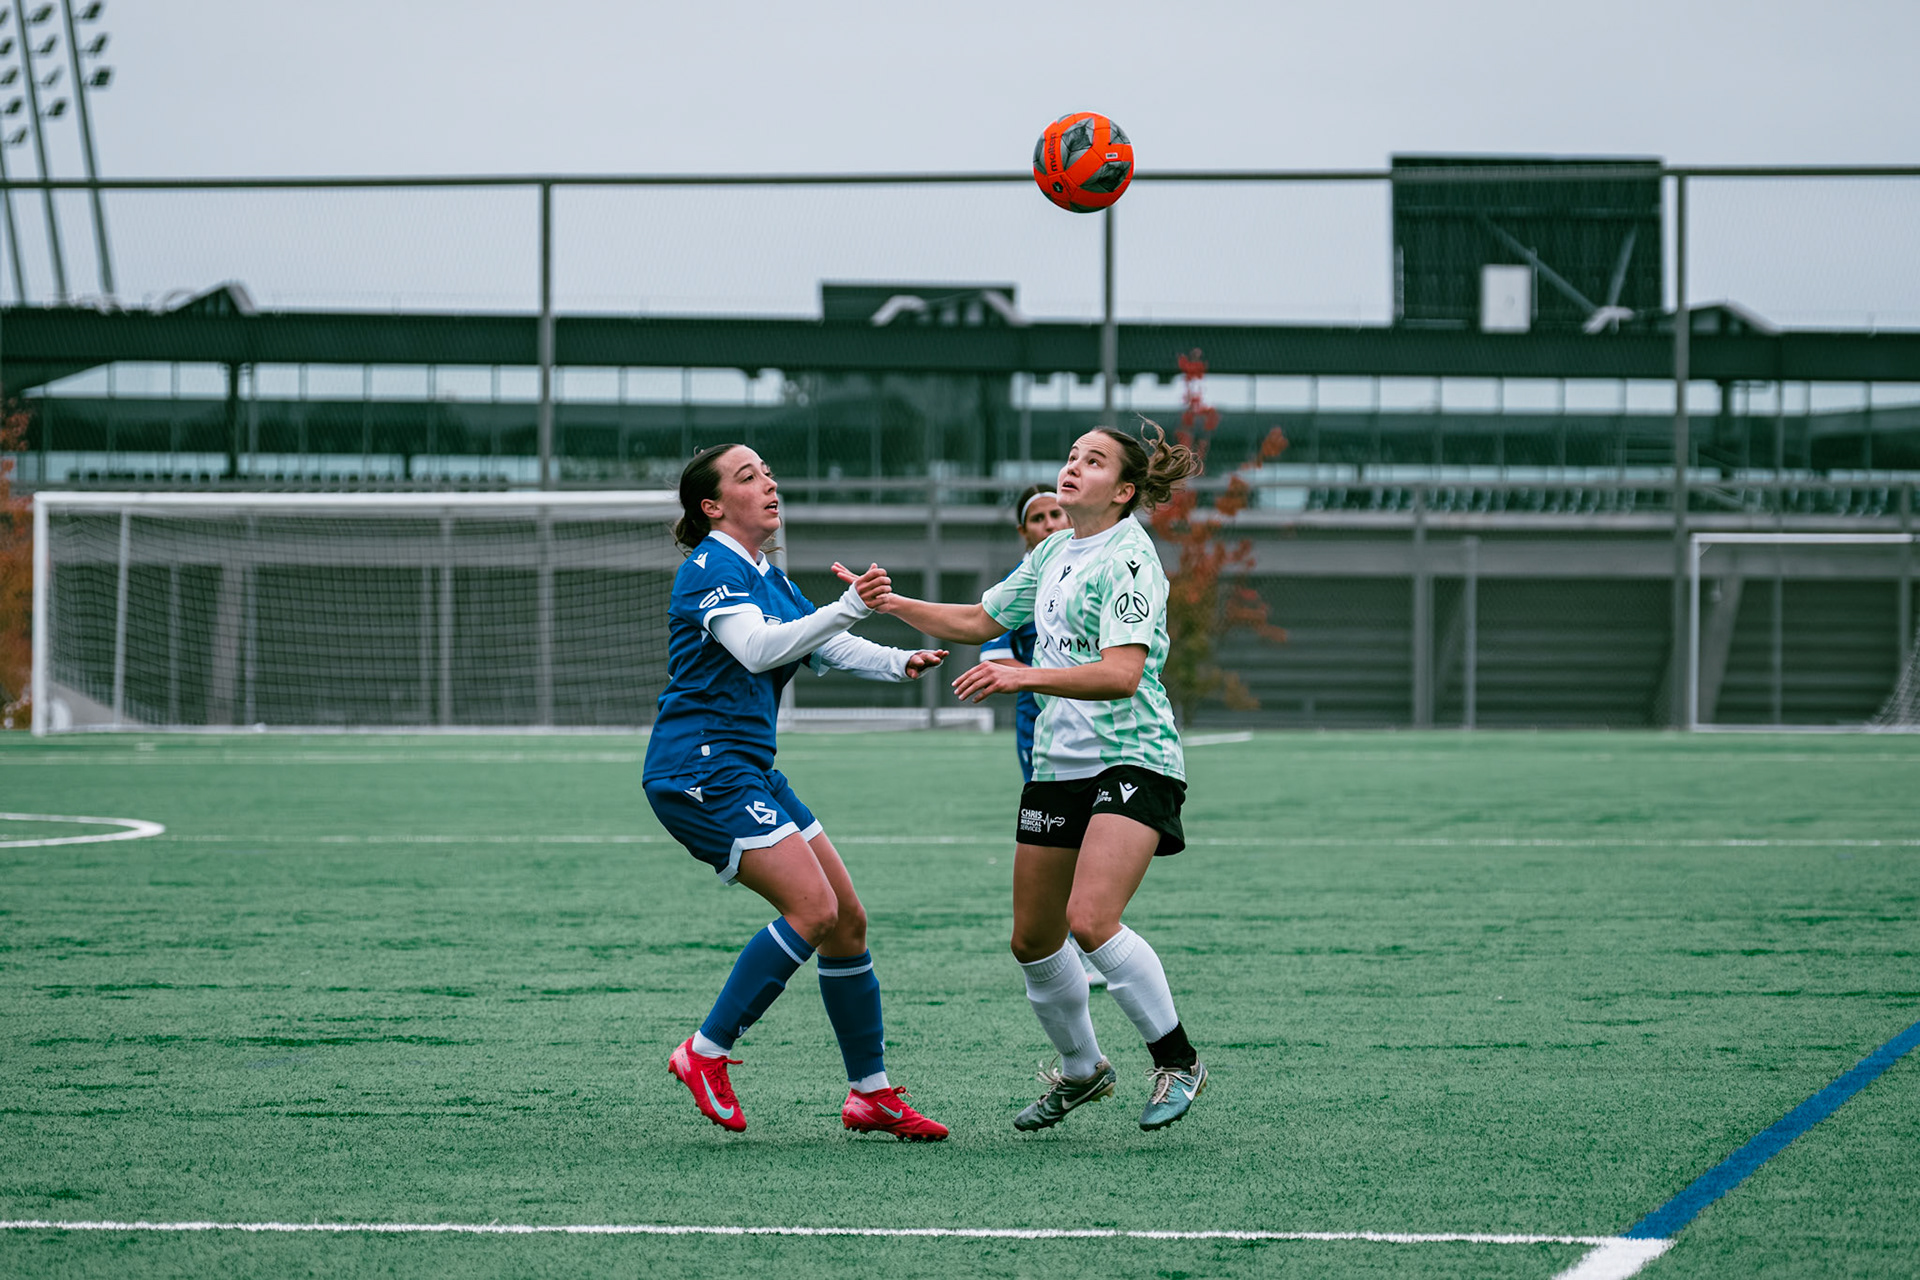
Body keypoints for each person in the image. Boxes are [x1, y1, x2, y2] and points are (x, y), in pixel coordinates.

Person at [836, 421, 1208, 1132]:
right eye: (1072, 456)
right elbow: (980, 619)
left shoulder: (1130, 558)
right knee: (1033, 940)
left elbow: (1122, 673)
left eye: (1093, 461)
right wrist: (889, 604)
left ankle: (1178, 1060)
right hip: (1058, 764)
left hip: (1133, 756)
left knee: (1090, 920)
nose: (1072, 467)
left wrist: (1022, 675)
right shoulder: (1053, 551)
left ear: (1123, 490)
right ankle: (1083, 1070)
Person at [645, 442, 951, 1142]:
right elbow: (758, 648)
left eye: (768, 473)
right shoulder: (709, 568)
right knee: (813, 909)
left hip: (748, 767)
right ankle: (705, 1052)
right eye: (748, 476)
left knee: (846, 920)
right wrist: (848, 606)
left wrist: (899, 660)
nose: (769, 483)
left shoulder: (765, 573)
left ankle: (870, 1094)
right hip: (699, 768)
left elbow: (819, 644)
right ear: (712, 506)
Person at [979, 484, 1105, 990]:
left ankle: (1092, 926)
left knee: (1104, 832)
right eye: (1038, 518)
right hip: (1044, 727)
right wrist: (1044, 678)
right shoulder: (1019, 583)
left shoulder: (1100, 565)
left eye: (1056, 513)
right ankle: (1070, 940)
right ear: (1023, 531)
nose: (1050, 523)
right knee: (1061, 835)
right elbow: (993, 655)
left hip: (1103, 722)